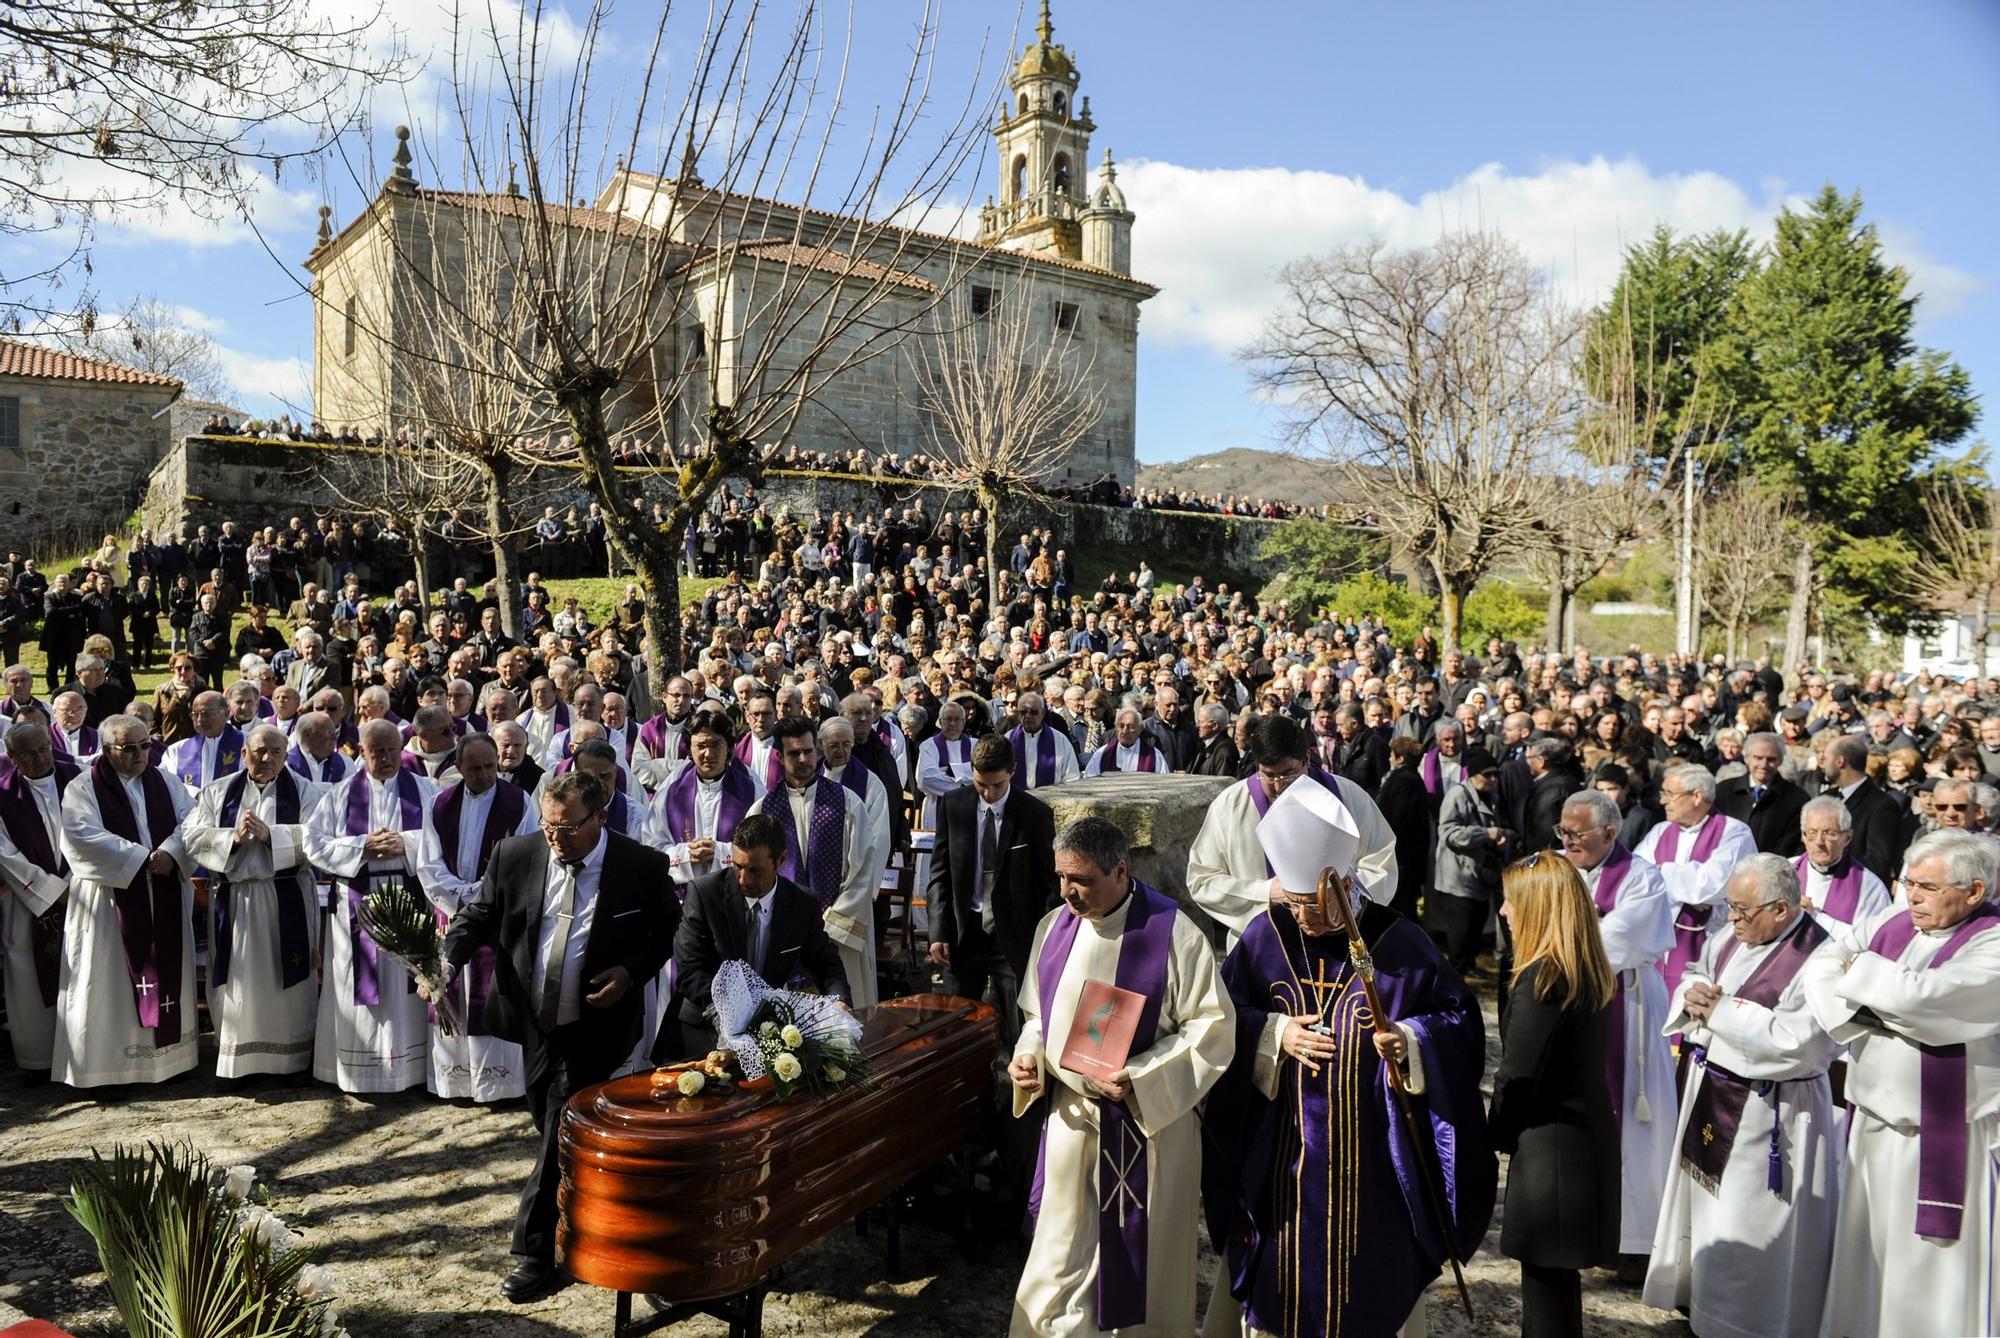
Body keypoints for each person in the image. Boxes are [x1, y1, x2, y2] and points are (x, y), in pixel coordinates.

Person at [1201, 849, 1495, 1338]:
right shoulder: (1265, 935)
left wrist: (1411, 1039)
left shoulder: (1399, 941)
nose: (1301, 918)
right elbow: (1220, 1017)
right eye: (1293, 904)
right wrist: (1273, 1033)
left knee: (1369, 1289)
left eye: (1311, 906)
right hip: (1281, 1156)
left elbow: (1458, 1020)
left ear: (1344, 889)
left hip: (1372, 1161)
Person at [440, 770, 679, 1303]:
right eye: (549, 825)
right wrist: (447, 961)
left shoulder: (640, 867)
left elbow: (667, 931)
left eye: (568, 827)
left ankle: (535, 1254)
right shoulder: (516, 854)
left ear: (600, 816)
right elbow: (479, 913)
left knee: (557, 1129)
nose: (556, 837)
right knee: (551, 1121)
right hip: (533, 1021)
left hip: (597, 1023)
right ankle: (590, 1217)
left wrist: (630, 972)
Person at [1010, 818, 1235, 1337]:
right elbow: (1038, 1016)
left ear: (1120, 869)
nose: (1068, 892)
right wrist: (1030, 1055)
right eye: (1061, 877)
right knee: (1059, 1261)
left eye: (1082, 880)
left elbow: (1214, 1030)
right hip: (1072, 1117)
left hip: (1148, 1129)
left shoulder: (1175, 934)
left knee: (1143, 1272)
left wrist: (1142, 1076)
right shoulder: (1054, 929)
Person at [1803, 829, 2000, 1338]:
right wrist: (1884, 1005)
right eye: (1907, 883)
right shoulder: (1896, 921)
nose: (1911, 895)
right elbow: (1820, 965)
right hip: (1870, 1122)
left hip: (1940, 1138)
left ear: (1974, 891)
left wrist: (1864, 982)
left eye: (1928, 887)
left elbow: (1927, 998)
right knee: (1866, 1260)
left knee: (1927, 1277)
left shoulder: (1993, 941)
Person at [1643, 853, 1840, 1337]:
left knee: (1751, 1223)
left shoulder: (1823, 957)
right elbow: (1698, 970)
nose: (1732, 918)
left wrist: (1720, 1013)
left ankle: (1749, 1323)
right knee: (1709, 1214)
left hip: (1773, 1112)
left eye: (1743, 909)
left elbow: (1803, 1043)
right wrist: (1691, 994)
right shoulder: (1734, 936)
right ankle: (1701, 1306)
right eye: (1730, 906)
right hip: (1714, 1090)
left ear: (1780, 908)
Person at [1487, 852, 1619, 1338]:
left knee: (1545, 1293)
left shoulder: (1541, 979)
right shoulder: (1585, 966)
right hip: (1584, 1145)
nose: (1503, 912)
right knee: (1558, 1289)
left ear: (1538, 906)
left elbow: (1517, 1075)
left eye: (1510, 902)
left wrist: (1492, 1136)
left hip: (1554, 1159)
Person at [1556, 788, 1675, 1266]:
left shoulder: (1643, 879)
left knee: (1633, 1118)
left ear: (1609, 832)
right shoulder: (1560, 870)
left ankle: (1632, 1240)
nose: (1567, 841)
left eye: (1576, 833)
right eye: (1562, 831)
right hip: (1572, 1002)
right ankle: (1584, 1226)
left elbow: (1617, 939)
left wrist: (1569, 930)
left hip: (1628, 1004)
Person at [53, 714, 198, 1087]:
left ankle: (167, 1063)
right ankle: (107, 1072)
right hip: (109, 901)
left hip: (162, 889)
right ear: (106, 749)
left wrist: (170, 852)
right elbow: (80, 836)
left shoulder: (165, 782)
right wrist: (139, 859)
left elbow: (193, 822)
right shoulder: (83, 788)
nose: (139, 754)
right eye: (128, 748)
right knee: (107, 982)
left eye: (145, 745)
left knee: (162, 974)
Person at [178, 723, 329, 1080]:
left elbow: (320, 837)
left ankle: (290, 1062)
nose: (266, 758)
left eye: (276, 752)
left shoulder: (306, 791)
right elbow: (191, 836)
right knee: (235, 982)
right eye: (259, 750)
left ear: (286, 756)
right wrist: (232, 836)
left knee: (287, 983)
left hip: (285, 895)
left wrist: (270, 836)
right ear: (244, 753)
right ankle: (238, 1063)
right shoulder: (218, 791)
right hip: (234, 901)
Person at [303, 717, 438, 1093]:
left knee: (405, 985)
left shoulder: (425, 790)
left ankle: (410, 1071)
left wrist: (406, 845)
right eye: (377, 751)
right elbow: (313, 845)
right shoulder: (340, 795)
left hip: (408, 894)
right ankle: (361, 1071)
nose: (386, 757)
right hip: (357, 901)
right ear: (361, 752)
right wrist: (361, 846)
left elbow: (441, 837)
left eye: (392, 749)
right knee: (356, 984)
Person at [1187, 713, 1399, 945]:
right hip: (1260, 949)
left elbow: (1381, 867)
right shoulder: (1230, 806)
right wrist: (1266, 892)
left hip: (1340, 942)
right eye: (1268, 775)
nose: (1279, 786)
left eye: (1288, 773)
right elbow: (1202, 880)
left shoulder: (1350, 799)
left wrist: (1339, 898)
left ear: (1306, 759)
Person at [666, 812, 849, 1060]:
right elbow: (690, 970)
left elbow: (826, 962)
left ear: (781, 860)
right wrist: (741, 1013)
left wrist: (839, 1003)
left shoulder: (802, 904)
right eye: (737, 867)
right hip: (705, 1026)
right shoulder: (704, 894)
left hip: (767, 1031)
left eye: (755, 870)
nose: (743, 879)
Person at [415, 733, 538, 1102]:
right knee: (450, 993)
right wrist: (459, 898)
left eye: (490, 766)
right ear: (459, 767)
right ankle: (455, 1081)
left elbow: (524, 857)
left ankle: (498, 1084)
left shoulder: (519, 802)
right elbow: (428, 863)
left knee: (491, 995)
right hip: (449, 916)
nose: (485, 774)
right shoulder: (440, 804)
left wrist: (480, 896)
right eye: (475, 768)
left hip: (497, 917)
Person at [926, 734, 1058, 1047]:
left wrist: (1042, 939)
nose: (988, 793)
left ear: (1012, 771)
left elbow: (1049, 883)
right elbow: (940, 873)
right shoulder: (954, 804)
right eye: (980, 783)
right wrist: (938, 931)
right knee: (959, 1020)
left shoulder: (1033, 814)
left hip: (1012, 932)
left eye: (996, 785)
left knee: (1017, 1024)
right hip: (965, 929)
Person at [744, 715, 880, 1007]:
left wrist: (828, 928)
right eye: (794, 753)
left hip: (838, 938)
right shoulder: (762, 811)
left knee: (846, 1025)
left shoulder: (847, 802)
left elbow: (864, 869)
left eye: (808, 750)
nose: (804, 758)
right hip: (782, 942)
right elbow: (751, 876)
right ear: (779, 756)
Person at [1636, 764, 1757, 998]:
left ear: (1697, 796)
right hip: (1657, 941)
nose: (1663, 801)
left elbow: (1709, 886)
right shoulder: (1660, 832)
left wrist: (1661, 873)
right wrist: (1679, 884)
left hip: (1707, 942)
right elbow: (1637, 878)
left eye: (1670, 794)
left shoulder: (1734, 832)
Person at [0, 721, 80, 1074]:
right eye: (28, 754)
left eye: (44, 748)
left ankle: (85, 1054)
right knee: (29, 977)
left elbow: (98, 830)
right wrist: (51, 889)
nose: (39, 758)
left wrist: (77, 881)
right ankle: (38, 1060)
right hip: (27, 902)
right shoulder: (3, 794)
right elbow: (4, 852)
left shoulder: (81, 780)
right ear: (13, 758)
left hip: (84, 896)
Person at [1431, 746, 1512, 975]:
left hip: (1477, 872)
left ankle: (1469, 964)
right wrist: (1485, 834)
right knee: (1462, 926)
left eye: (1496, 774)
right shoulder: (1457, 795)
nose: (1493, 779)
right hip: (1458, 874)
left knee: (1475, 922)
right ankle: (1457, 969)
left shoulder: (1491, 795)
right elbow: (1447, 833)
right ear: (1473, 774)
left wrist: (1502, 835)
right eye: (1487, 775)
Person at [1794, 794, 1893, 928]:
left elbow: (1871, 941)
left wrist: (1816, 917)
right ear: (1803, 836)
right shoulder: (1784, 871)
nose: (1819, 842)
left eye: (1829, 833)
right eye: (1812, 832)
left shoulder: (1869, 886)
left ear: (1847, 838)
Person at [1713, 731, 1807, 856]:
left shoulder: (1797, 799)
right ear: (1746, 758)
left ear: (1780, 760)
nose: (1764, 765)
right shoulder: (1723, 791)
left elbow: (1790, 845)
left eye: (1771, 759)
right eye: (1758, 758)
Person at [1374, 735, 1432, 922]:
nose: (1389, 759)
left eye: (1392, 755)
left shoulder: (1404, 781)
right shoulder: (1410, 778)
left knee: (1402, 907)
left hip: (1403, 858)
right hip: (1407, 857)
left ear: (1400, 758)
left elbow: (1396, 820)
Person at [1006, 691, 1080, 790]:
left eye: (1033, 712)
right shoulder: (1007, 739)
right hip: (1016, 801)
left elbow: (1071, 777)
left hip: (1051, 800)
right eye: (1023, 712)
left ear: (1042, 713)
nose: (1028, 716)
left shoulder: (1059, 740)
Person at [1081, 706, 1170, 775]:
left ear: (1140, 729)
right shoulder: (1102, 754)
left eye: (1131, 727)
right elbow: (1090, 781)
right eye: (1121, 726)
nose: (1125, 731)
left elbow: (1164, 784)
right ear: (1115, 727)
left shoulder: (1154, 756)